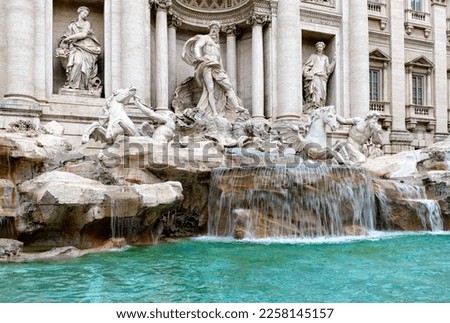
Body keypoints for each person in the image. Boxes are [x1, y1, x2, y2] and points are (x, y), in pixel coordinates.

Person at [181, 21, 244, 117]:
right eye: (213, 28)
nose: (215, 30)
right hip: (207, 63)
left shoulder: (217, 45)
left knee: (228, 86)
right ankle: (214, 112)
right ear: (210, 29)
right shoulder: (205, 38)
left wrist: (222, 70)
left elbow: (220, 59)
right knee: (210, 89)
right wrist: (198, 55)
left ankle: (236, 106)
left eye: (217, 29)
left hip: (217, 66)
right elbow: (198, 46)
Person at [58, 6, 102, 91]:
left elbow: (83, 34)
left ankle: (82, 86)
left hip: (86, 47)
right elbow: (66, 35)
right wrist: (64, 40)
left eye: (87, 14)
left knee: (82, 65)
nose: (85, 15)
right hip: (75, 47)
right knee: (77, 63)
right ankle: (72, 85)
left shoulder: (87, 24)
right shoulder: (72, 25)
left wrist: (69, 38)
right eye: (84, 13)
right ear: (79, 12)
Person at [302, 41, 336, 112]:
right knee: (316, 92)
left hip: (323, 77)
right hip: (315, 76)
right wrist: (306, 72)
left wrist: (333, 61)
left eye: (321, 47)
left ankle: (320, 107)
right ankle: (314, 107)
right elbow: (307, 66)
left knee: (322, 93)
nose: (319, 48)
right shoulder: (313, 56)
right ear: (316, 48)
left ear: (323, 48)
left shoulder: (325, 58)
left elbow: (328, 69)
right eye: (318, 47)